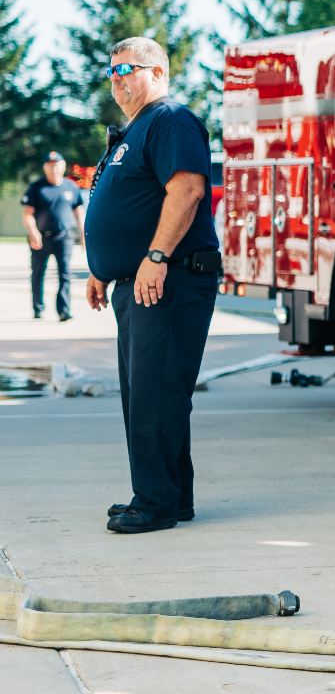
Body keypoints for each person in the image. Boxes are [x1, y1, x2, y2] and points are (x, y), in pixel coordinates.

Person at [82, 37, 220, 534]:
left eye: (127, 68)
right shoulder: (134, 131)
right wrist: (105, 267)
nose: (117, 78)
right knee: (150, 392)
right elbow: (129, 203)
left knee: (154, 394)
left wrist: (156, 256)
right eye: (111, 70)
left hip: (171, 278)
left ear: (158, 72)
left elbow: (186, 189)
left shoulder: (170, 119)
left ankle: (155, 503)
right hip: (137, 282)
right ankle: (170, 496)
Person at [22, 151, 87, 321]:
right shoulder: (37, 187)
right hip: (40, 238)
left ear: (63, 166)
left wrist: (83, 234)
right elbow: (27, 213)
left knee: (65, 273)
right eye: (50, 165)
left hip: (63, 237)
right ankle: (38, 308)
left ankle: (63, 310)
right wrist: (33, 231)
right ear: (45, 168)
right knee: (38, 273)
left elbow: (78, 211)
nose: (54, 169)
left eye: (57, 165)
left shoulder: (71, 187)